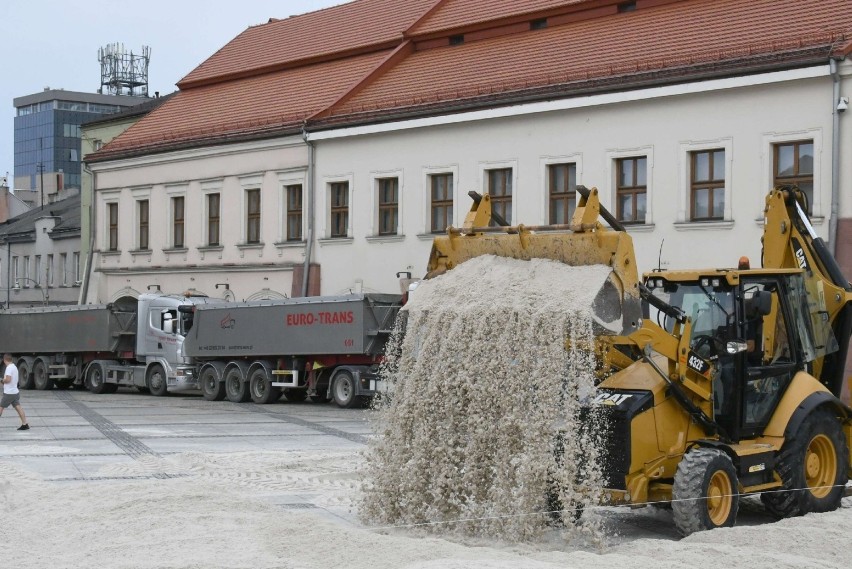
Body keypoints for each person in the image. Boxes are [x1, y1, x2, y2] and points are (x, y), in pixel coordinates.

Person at [0, 354, 29, 430]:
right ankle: (25, 424)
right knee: (19, 408)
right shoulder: (14, 367)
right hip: (15, 392)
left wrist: (2, 380)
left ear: (4, 360)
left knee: (0, 407)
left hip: (9, 393)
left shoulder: (9, 368)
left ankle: (25, 424)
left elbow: (8, 379)